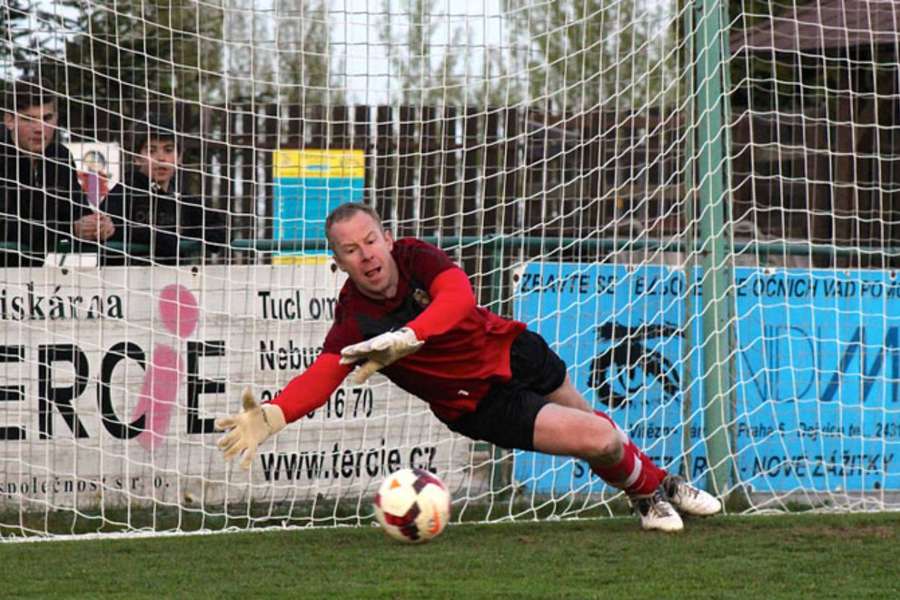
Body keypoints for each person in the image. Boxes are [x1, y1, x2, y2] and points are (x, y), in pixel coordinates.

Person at [215, 202, 721, 532]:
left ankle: (651, 492)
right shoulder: (355, 320)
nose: (365, 254)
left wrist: (410, 336)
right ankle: (656, 486)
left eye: (370, 240)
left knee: (600, 429)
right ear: (338, 263)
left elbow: (459, 297)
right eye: (350, 250)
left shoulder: (417, 256)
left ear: (387, 238)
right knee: (602, 440)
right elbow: (323, 376)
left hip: (513, 349)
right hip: (478, 403)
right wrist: (276, 414)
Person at [0, 76, 114, 266]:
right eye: (29, 119)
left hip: (29, 282)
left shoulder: (60, 156)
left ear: (56, 118)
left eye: (47, 118)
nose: (40, 128)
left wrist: (97, 225)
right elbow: (6, 226)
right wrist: (70, 229)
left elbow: (76, 211)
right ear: (9, 120)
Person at [104, 113, 225, 266]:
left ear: (179, 157)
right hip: (122, 283)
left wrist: (212, 234)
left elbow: (220, 226)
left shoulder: (183, 200)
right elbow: (108, 228)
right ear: (136, 158)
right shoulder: (122, 193)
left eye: (168, 150)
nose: (161, 158)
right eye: (151, 150)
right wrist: (155, 237)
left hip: (172, 284)